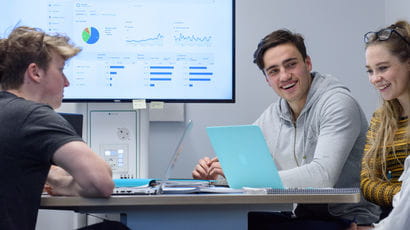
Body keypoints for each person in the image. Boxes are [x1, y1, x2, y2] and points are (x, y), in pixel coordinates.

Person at [192, 29, 380, 229]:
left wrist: (250, 180)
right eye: (273, 71)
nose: (284, 76)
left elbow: (322, 176)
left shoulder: (337, 103)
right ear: (267, 79)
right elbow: (245, 169)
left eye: (291, 64)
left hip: (350, 219)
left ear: (307, 63)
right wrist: (216, 174)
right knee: (222, 222)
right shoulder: (275, 114)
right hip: (304, 215)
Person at [0, 26, 115, 230]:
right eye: (61, 70)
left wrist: (52, 175)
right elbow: (101, 182)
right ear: (35, 72)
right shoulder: (33, 116)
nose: (67, 82)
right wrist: (70, 185)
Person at [360, 20, 410, 228]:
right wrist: (402, 196)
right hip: (389, 217)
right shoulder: (381, 118)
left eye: (382, 68)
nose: (375, 79)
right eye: (370, 71)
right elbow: (367, 182)